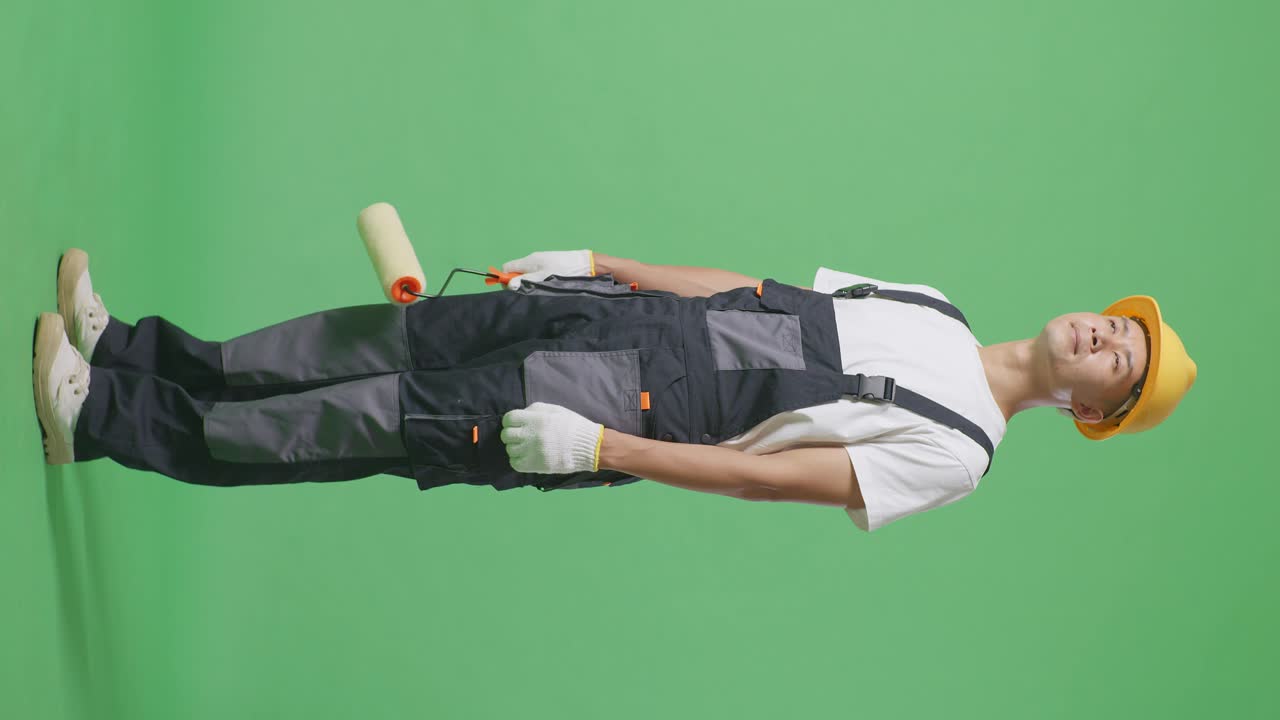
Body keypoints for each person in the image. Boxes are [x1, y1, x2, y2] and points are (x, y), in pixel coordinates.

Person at [32, 247, 1196, 532]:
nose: (1103, 337)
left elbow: (766, 478)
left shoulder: (958, 451)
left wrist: (600, 452)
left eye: (1118, 365)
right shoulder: (933, 306)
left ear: (1088, 410)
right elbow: (755, 290)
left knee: (373, 415)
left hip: (629, 407)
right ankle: (135, 350)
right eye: (1119, 326)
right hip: (620, 320)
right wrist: (601, 266)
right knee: (370, 337)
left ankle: (101, 418)